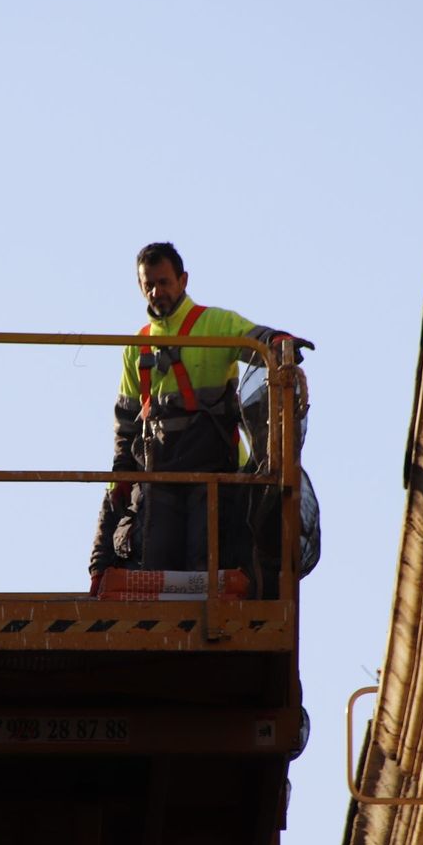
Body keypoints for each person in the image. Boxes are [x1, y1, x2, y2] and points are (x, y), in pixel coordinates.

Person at [88, 242, 309, 590]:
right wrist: (121, 482)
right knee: (157, 567)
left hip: (213, 473)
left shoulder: (213, 323)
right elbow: (127, 422)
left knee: (203, 562)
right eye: (149, 285)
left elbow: (253, 339)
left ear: (183, 280)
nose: (156, 292)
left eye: (163, 282)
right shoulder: (137, 346)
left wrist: (280, 342)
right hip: (159, 476)